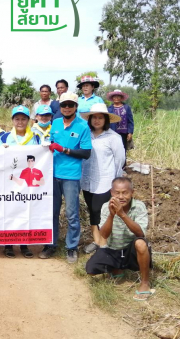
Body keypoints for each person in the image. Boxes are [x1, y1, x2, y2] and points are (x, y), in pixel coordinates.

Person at [40, 92, 92, 263]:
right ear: (60, 107)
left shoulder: (83, 126)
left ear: (76, 106)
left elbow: (86, 153)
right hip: (53, 174)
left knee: (71, 213)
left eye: (70, 105)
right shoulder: (54, 123)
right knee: (52, 212)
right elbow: (51, 144)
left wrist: (65, 150)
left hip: (71, 176)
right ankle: (51, 244)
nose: (67, 108)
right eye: (64, 105)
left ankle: (71, 247)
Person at [85, 177, 153, 301]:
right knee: (91, 270)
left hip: (130, 251)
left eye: (125, 192)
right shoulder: (106, 207)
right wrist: (112, 215)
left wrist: (122, 214)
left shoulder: (139, 206)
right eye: (117, 193)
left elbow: (140, 233)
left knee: (141, 243)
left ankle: (145, 282)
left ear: (132, 192)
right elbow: (104, 235)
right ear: (111, 193)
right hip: (113, 249)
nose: (121, 197)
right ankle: (117, 268)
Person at [80, 103, 125, 254]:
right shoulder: (86, 135)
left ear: (106, 120)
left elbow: (119, 160)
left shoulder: (114, 138)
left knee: (102, 212)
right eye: (94, 117)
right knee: (92, 210)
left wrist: (116, 182)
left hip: (105, 181)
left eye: (100, 118)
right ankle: (96, 240)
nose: (97, 120)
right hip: (87, 180)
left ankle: (105, 243)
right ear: (90, 119)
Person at [1, 105, 41, 259]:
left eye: (23, 119)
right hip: (9, 182)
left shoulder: (36, 137)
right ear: (12, 120)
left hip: (27, 183)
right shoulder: (4, 137)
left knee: (26, 211)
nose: (20, 121)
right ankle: (8, 245)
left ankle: (24, 244)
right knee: (9, 211)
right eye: (17, 119)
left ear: (28, 120)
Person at [107, 89, 134, 161]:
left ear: (121, 98)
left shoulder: (126, 107)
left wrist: (130, 132)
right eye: (114, 97)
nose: (116, 98)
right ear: (112, 98)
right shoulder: (109, 109)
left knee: (123, 149)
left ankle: (123, 167)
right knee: (113, 149)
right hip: (112, 132)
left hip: (123, 133)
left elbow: (130, 121)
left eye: (118, 96)